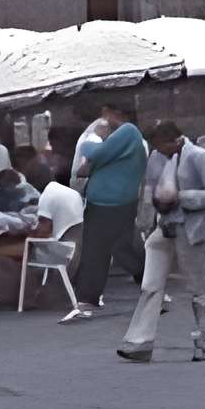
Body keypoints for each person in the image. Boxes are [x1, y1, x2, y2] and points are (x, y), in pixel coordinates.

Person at [119, 123, 205, 362]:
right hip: (164, 226)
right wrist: (144, 218)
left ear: (176, 140)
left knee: (195, 287)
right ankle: (139, 341)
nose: (159, 151)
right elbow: (150, 186)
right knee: (150, 284)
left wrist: (181, 198)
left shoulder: (199, 157)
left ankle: (201, 339)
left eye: (162, 145)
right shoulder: (156, 156)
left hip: (191, 228)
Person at [62, 101, 148, 323]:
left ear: (114, 113)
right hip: (107, 203)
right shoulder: (120, 141)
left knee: (103, 249)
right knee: (115, 247)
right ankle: (91, 297)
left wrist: (94, 139)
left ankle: (150, 284)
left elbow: (92, 152)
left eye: (105, 113)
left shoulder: (128, 132)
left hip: (112, 204)